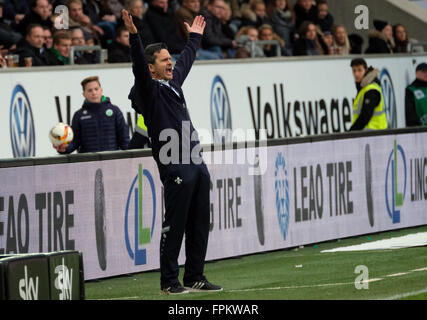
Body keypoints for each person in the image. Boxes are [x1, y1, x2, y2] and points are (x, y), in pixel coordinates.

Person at [122, 9, 222, 294]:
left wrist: (194, 39)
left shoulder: (173, 83)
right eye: (165, 60)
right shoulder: (149, 91)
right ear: (151, 68)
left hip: (195, 161)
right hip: (174, 164)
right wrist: (134, 37)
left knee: (200, 222)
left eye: (170, 59)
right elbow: (138, 67)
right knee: (175, 225)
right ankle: (169, 281)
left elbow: (187, 60)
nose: (171, 63)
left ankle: (195, 276)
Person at [54, 75, 130, 153]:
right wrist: (64, 149)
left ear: (101, 90)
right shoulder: (79, 115)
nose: (94, 93)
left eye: (96, 89)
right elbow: (75, 142)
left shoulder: (115, 111)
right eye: (90, 90)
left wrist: (129, 158)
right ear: (84, 94)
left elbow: (124, 139)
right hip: (88, 162)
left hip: (111, 161)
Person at [349, 58, 387, 131]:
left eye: (359, 70)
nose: (356, 74)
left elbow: (366, 115)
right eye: (354, 70)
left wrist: (351, 132)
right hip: (370, 134)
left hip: (374, 134)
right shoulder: (363, 88)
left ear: (366, 70)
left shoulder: (371, 90)